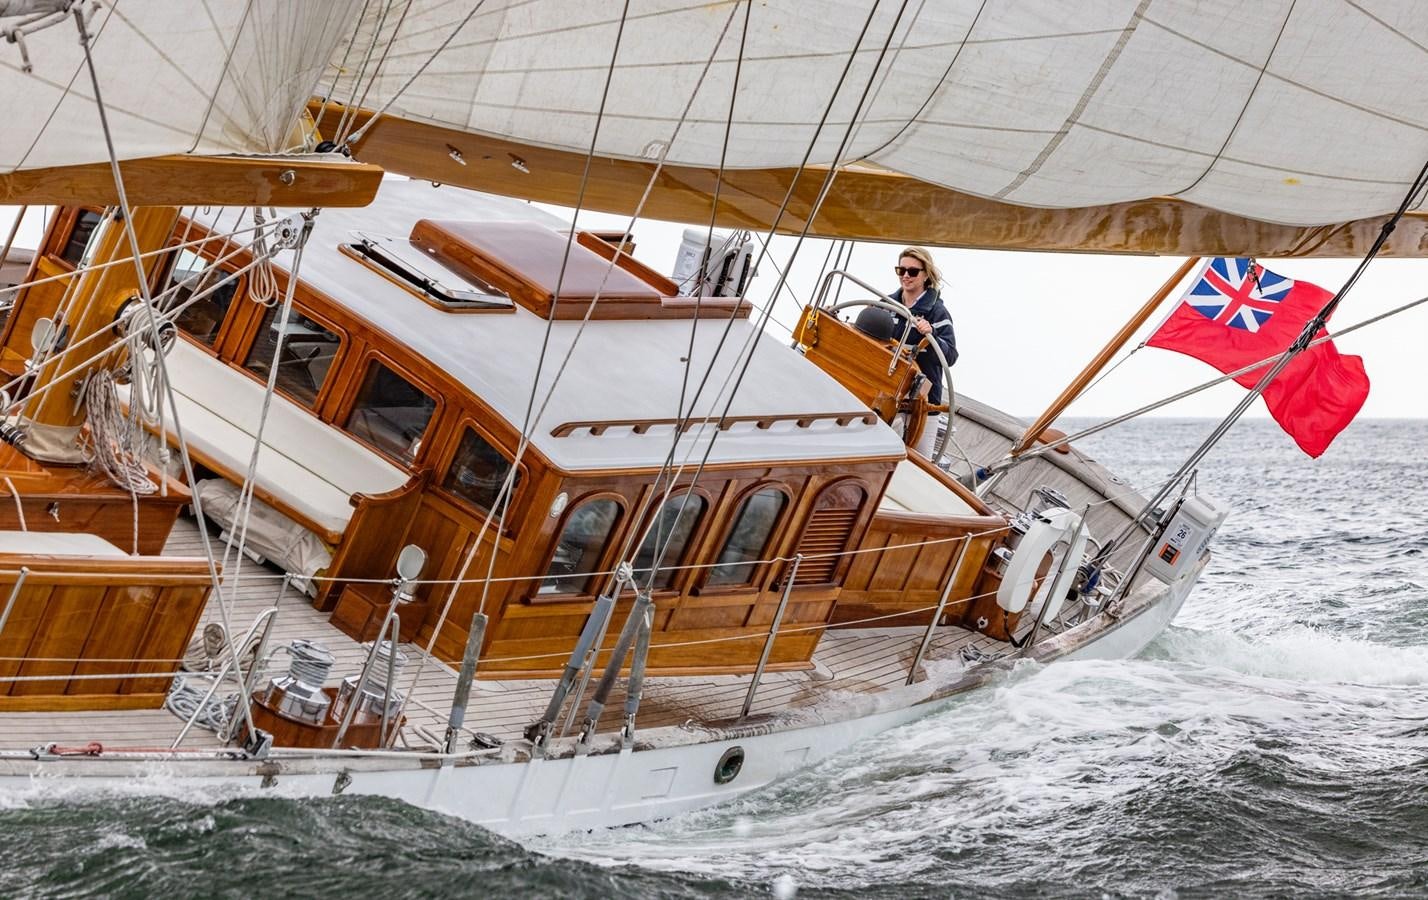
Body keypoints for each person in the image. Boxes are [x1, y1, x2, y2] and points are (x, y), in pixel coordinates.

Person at [887, 247, 957, 458]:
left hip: (923, 405)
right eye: (901, 270)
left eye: (913, 271)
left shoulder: (938, 312)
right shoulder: (887, 305)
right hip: (887, 397)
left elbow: (951, 356)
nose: (906, 276)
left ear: (926, 274)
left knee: (920, 463)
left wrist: (932, 334)